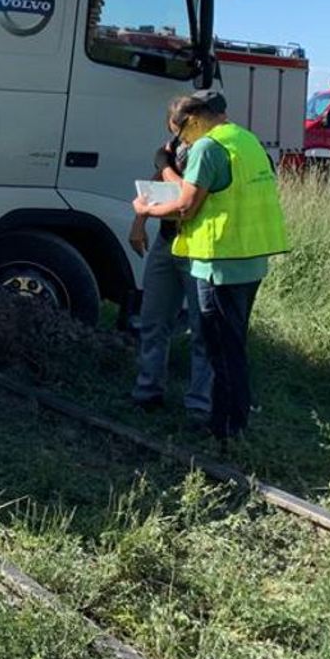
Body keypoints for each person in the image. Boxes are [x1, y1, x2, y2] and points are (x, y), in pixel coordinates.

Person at [131, 90, 289, 441]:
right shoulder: (245, 142)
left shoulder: (208, 147)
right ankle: (222, 420)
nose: (178, 139)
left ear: (195, 119)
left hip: (213, 256)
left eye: (180, 130)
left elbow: (187, 205)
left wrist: (149, 202)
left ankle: (214, 420)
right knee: (222, 343)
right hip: (238, 257)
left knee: (213, 340)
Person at [128, 125, 213, 424]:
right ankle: (148, 392)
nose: (176, 131)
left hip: (199, 247)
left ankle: (199, 406)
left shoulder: (211, 150)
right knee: (153, 319)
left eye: (179, 124)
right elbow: (158, 185)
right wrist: (139, 222)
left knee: (202, 329)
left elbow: (183, 195)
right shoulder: (176, 145)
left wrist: (164, 166)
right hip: (168, 241)